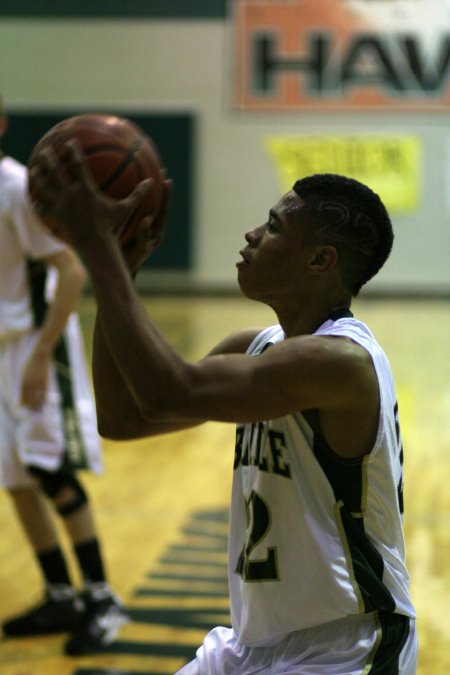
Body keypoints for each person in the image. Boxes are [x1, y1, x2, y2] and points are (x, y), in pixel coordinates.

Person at [31, 139, 418, 674]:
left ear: (320, 260)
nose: (253, 235)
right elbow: (124, 419)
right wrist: (118, 264)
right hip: (249, 643)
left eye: (275, 227)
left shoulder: (342, 363)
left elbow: (171, 389)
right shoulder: (254, 346)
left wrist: (100, 251)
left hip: (345, 650)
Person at [0, 101, 128, 656]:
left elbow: (71, 269)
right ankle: (60, 594)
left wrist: (39, 354)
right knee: (16, 476)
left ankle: (102, 599)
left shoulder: (14, 186)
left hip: (36, 343)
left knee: (50, 471)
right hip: (5, 344)